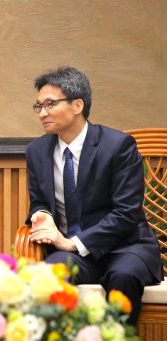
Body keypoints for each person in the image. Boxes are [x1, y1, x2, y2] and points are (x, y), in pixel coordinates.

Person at [26, 66, 162, 325]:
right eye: (39, 106)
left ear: (77, 105)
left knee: (124, 276)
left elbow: (127, 213)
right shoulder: (36, 151)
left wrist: (73, 242)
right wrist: (42, 215)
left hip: (125, 247)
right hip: (73, 255)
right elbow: (39, 201)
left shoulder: (117, 145)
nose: (42, 113)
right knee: (48, 276)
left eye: (50, 104)